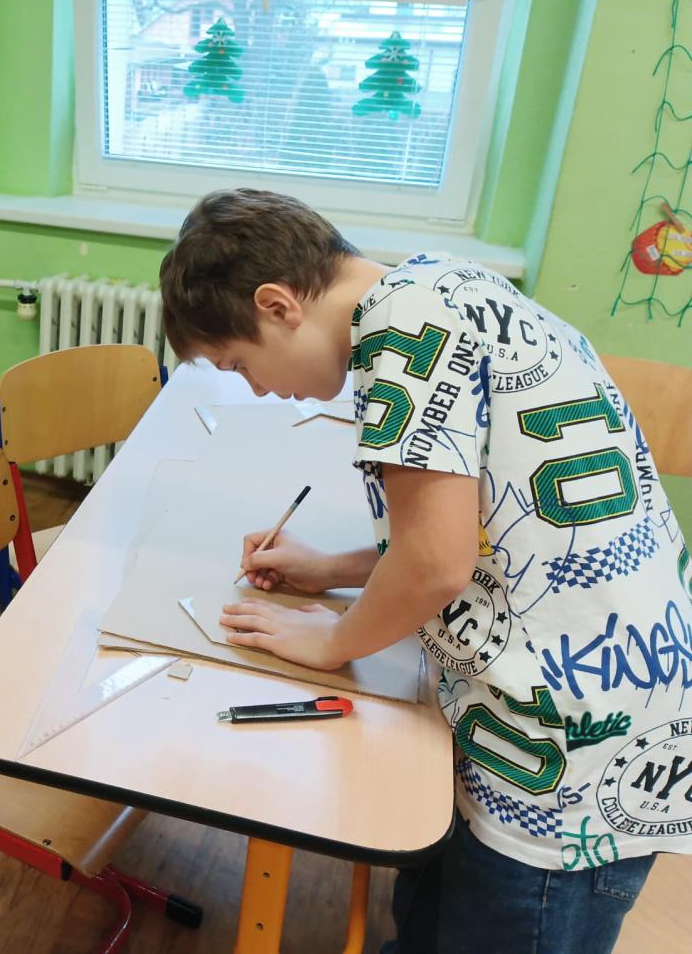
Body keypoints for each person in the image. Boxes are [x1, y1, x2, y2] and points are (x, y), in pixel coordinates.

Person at [159, 188, 690, 952]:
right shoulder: (439, 283)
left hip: (565, 748)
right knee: (433, 914)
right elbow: (475, 537)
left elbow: (437, 565)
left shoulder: (399, 334)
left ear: (278, 306)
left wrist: (333, 641)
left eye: (239, 364)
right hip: (572, 695)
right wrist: (333, 569)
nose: (257, 388)